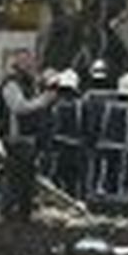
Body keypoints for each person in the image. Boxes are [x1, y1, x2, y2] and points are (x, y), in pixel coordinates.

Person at [0, 48, 56, 218]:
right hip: (17, 137)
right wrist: (44, 100)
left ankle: (19, 212)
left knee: (23, 176)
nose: (31, 65)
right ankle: (13, 212)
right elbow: (19, 107)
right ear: (18, 64)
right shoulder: (11, 84)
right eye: (27, 62)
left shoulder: (28, 83)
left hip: (26, 137)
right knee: (19, 176)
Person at [87, 71, 128, 199]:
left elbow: (96, 125)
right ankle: (118, 199)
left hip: (104, 146)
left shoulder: (107, 105)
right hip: (124, 149)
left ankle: (100, 195)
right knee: (121, 178)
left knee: (104, 175)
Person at [44, 68, 87, 199]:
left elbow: (48, 127)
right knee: (74, 181)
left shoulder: (55, 105)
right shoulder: (81, 105)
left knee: (56, 179)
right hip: (75, 149)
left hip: (59, 148)